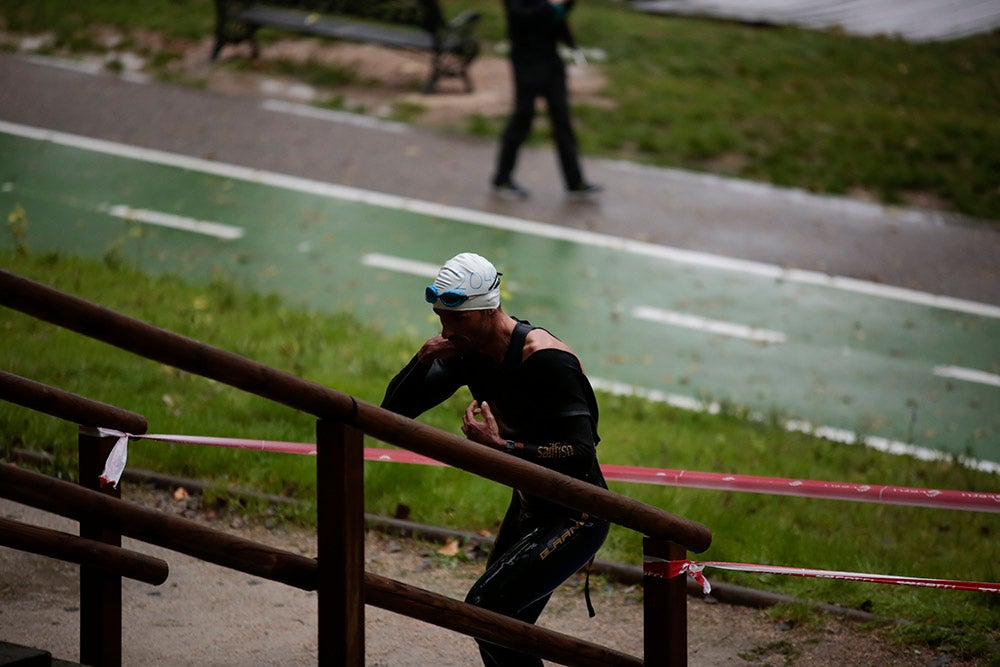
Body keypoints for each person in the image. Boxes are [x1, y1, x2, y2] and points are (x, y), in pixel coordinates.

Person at [381, 252, 609, 666]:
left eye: (458, 320)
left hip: (579, 515)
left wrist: (502, 449)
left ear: (488, 310)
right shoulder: (467, 349)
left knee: (487, 612)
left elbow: (580, 454)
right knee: (501, 628)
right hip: (530, 503)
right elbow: (394, 414)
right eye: (440, 317)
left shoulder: (545, 359)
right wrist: (422, 359)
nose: (447, 330)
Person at [491, 0, 602, 200]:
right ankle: (502, 178)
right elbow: (519, 16)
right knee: (522, 118)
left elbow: (559, 18)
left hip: (551, 63)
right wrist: (549, 5)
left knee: (562, 121)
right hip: (526, 62)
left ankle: (575, 182)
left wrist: (576, 51)